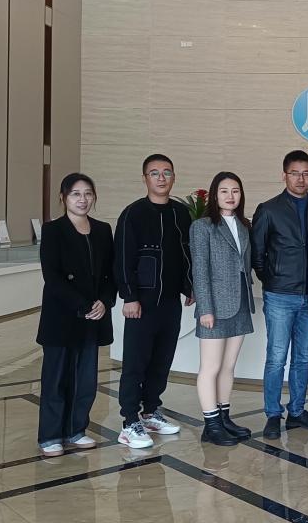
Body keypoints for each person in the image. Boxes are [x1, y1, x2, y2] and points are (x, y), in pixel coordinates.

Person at [114, 154, 193, 449]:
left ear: (174, 177)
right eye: (155, 173)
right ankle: (129, 422)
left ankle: (150, 412)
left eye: (166, 172)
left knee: (161, 360)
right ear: (145, 178)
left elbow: (187, 255)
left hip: (170, 302)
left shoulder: (181, 213)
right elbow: (122, 259)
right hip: (141, 303)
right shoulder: (133, 214)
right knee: (135, 363)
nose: (161, 178)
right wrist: (130, 297)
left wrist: (190, 287)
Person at [36, 173, 116, 457]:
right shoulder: (53, 230)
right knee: (56, 378)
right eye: (75, 194)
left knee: (85, 379)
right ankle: (50, 435)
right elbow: (52, 277)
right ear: (63, 197)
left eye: (88, 193)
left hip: (93, 317)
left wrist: (105, 302)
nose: (83, 199)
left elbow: (110, 274)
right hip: (62, 316)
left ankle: (76, 430)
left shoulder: (103, 230)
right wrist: (82, 305)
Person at [251, 150, 308, 440]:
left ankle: (297, 411)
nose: (300, 179)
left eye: (306, 173)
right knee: (276, 357)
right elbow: (257, 254)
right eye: (295, 173)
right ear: (284, 175)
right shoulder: (269, 209)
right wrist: (272, 279)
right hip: (280, 295)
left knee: (303, 358)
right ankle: (273, 413)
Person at [191, 172, 255, 447]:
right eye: (224, 191)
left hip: (240, 304)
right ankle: (211, 424)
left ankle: (224, 417)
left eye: (235, 191)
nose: (230, 196)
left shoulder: (244, 225)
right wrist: (205, 308)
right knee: (211, 367)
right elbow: (200, 269)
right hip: (214, 307)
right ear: (215, 195)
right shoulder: (202, 226)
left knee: (228, 366)